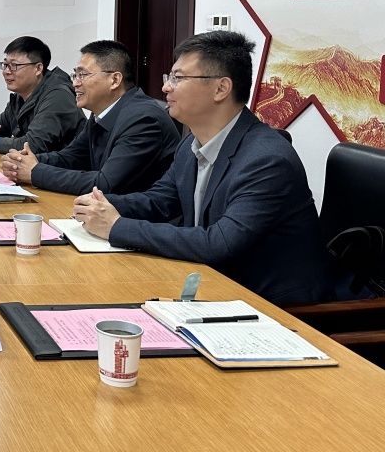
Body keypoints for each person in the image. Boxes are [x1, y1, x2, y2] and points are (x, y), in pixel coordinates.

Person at [72, 31, 350, 305]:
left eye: (178, 78)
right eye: (170, 77)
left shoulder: (266, 160)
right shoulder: (191, 143)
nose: (166, 88)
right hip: (213, 285)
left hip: (272, 307)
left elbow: (219, 243)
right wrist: (100, 204)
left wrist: (117, 226)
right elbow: (160, 200)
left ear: (221, 88)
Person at [0, 40, 180, 195]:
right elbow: (72, 157)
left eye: (83, 75)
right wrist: (24, 161)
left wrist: (35, 172)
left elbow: (106, 184)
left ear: (115, 80)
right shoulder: (101, 113)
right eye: (75, 75)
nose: (75, 83)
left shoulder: (143, 119)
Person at [0, 36, 84, 154]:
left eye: (14, 65)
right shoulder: (20, 97)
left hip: (65, 165)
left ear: (38, 68)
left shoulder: (59, 96)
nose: (6, 71)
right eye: (5, 65)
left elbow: (32, 146)